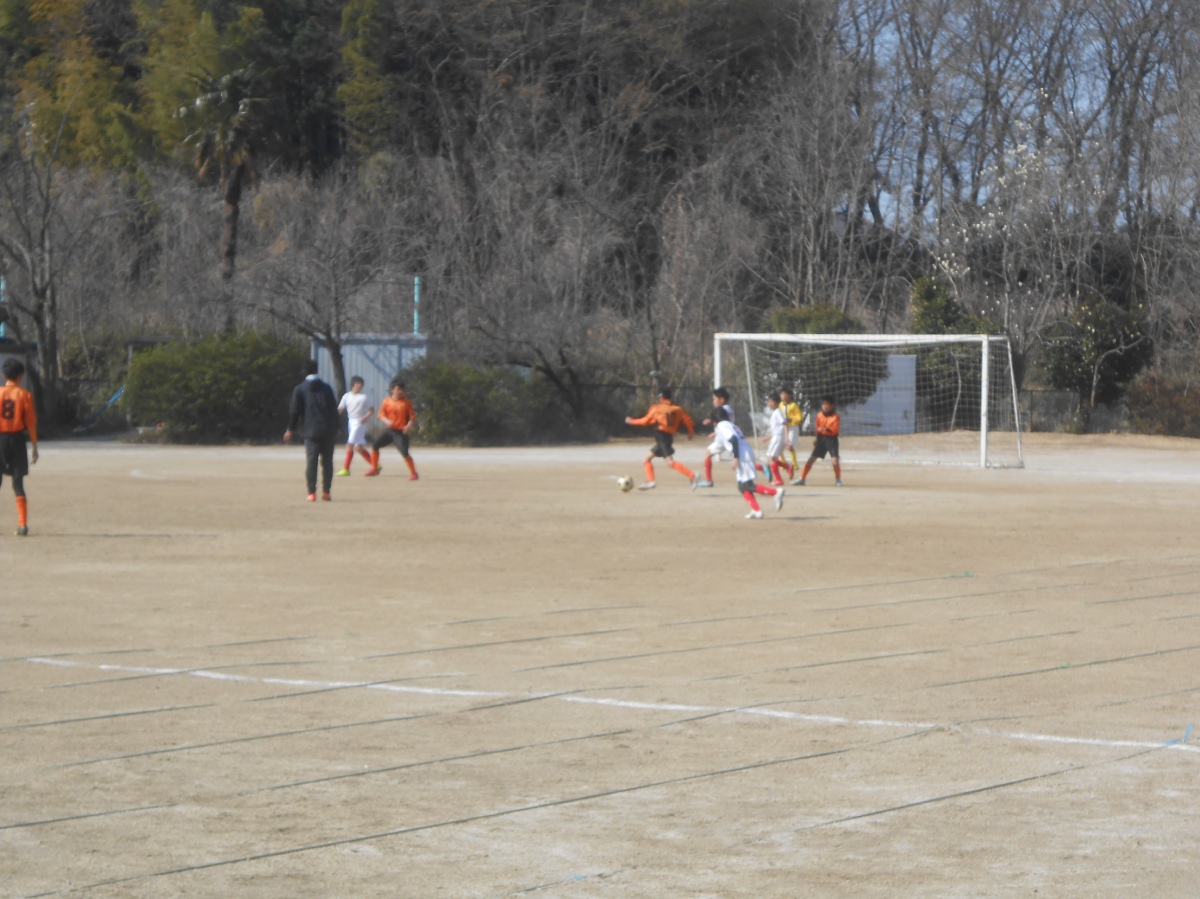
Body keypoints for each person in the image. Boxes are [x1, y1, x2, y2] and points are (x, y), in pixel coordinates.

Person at [283, 359, 340, 502]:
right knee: (327, 463)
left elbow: (294, 411)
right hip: (328, 430)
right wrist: (338, 427)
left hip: (310, 431)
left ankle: (312, 493)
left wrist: (290, 429)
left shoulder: (300, 389)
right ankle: (326, 492)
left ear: (304, 371)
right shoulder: (327, 388)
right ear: (317, 370)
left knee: (311, 462)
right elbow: (334, 410)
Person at [707, 414, 784, 520]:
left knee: (747, 485)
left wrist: (736, 457)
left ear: (715, 421)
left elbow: (733, 439)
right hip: (745, 451)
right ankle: (756, 510)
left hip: (742, 454)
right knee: (741, 486)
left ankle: (776, 492)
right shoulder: (730, 425)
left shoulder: (721, 425)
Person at [624, 388, 696, 490]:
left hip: (662, 437)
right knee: (646, 458)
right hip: (668, 438)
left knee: (670, 462)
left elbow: (645, 421)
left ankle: (692, 475)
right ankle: (651, 481)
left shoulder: (657, 408)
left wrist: (632, 421)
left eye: (659, 397)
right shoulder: (678, 409)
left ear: (662, 397)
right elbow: (687, 420)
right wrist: (691, 432)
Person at [0, 358, 38, 535]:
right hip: (16, 440)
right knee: (17, 483)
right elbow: (30, 423)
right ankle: (22, 525)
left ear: (3, 375)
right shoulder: (25, 395)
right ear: (21, 376)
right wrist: (35, 446)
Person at [367, 380, 418, 479]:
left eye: (402, 390)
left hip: (400, 432)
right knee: (375, 445)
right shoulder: (386, 401)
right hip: (389, 431)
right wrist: (387, 421)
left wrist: (408, 426)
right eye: (398, 390)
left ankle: (414, 473)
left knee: (404, 452)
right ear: (393, 390)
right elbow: (381, 415)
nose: (400, 392)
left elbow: (412, 417)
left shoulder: (406, 402)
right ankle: (374, 468)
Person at [797, 395, 843, 486]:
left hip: (832, 440)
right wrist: (817, 439)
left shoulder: (835, 416)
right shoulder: (819, 415)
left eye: (827, 404)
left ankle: (838, 480)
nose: (825, 406)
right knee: (811, 459)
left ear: (831, 405)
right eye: (823, 404)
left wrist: (825, 429)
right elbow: (817, 429)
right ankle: (802, 478)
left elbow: (835, 430)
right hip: (821, 439)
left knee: (835, 461)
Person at [696, 387, 735, 488]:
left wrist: (716, 431)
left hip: (723, 439)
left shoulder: (723, 410)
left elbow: (724, 423)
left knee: (708, 454)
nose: (713, 401)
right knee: (740, 459)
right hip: (725, 437)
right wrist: (715, 431)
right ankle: (761, 468)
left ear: (722, 399)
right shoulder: (728, 409)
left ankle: (709, 481)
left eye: (714, 399)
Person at [336, 376, 375, 476]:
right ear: (352, 385)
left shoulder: (364, 397)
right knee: (358, 447)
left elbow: (372, 410)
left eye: (361, 384)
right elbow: (340, 408)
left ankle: (346, 469)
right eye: (357, 383)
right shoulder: (346, 396)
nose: (359, 385)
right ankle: (375, 465)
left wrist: (365, 418)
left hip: (359, 422)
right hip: (351, 422)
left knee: (350, 444)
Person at [763, 392, 795, 486]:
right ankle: (787, 467)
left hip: (778, 438)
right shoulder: (775, 413)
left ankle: (779, 479)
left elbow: (784, 423)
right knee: (772, 458)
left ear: (776, 403)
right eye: (769, 401)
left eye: (771, 401)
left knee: (770, 458)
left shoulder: (777, 412)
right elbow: (777, 429)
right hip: (777, 437)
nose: (769, 403)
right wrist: (767, 438)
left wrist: (787, 437)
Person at [779, 386, 805, 475]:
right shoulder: (780, 405)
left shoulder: (794, 405)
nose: (783, 396)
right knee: (780, 445)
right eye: (782, 394)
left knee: (790, 446)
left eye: (785, 394)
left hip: (792, 427)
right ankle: (783, 463)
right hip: (783, 427)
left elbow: (799, 417)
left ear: (789, 395)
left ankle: (794, 464)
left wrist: (791, 419)